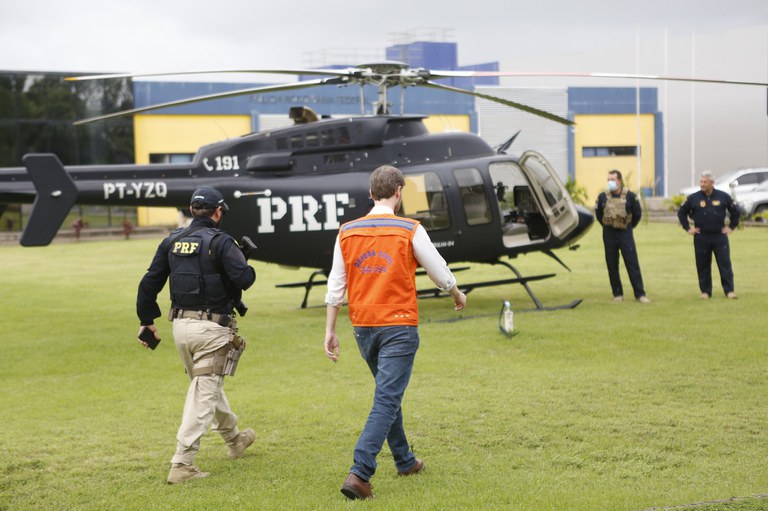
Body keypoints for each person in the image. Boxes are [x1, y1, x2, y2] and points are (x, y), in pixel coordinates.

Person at [324, 165, 467, 500]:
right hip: (398, 325)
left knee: (388, 394)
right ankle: (360, 472)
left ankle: (404, 460)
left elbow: (336, 286)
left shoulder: (346, 232)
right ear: (398, 192)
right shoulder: (409, 229)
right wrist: (456, 293)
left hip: (363, 327)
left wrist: (330, 330)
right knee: (387, 398)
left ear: (371, 194)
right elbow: (438, 270)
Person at [136, 186, 257, 484]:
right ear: (218, 212)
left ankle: (235, 441)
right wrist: (243, 258)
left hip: (180, 329)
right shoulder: (222, 242)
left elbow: (149, 282)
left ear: (192, 211)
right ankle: (182, 462)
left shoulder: (172, 240)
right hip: (213, 330)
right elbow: (245, 279)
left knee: (208, 385)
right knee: (204, 390)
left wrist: (147, 320)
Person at [677, 171, 740, 299]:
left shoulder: (723, 196)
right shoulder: (693, 198)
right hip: (701, 237)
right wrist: (688, 228)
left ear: (712, 183)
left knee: (725, 264)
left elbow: (735, 211)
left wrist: (731, 227)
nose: (702, 184)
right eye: (701, 182)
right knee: (703, 265)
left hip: (719, 236)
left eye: (705, 182)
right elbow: (681, 213)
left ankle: (729, 291)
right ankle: (705, 292)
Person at [594, 170, 650, 303]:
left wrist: (629, 227)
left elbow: (637, 214)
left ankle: (640, 294)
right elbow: (598, 214)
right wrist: (608, 225)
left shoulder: (630, 196)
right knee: (612, 264)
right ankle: (617, 293)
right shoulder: (602, 197)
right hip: (609, 233)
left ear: (619, 181)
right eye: (608, 180)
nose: (610, 182)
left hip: (625, 233)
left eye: (612, 179)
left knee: (632, 263)